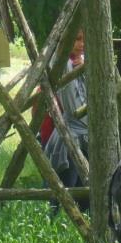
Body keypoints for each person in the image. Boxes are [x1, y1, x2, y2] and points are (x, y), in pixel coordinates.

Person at [42, 31, 89, 207]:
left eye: (84, 40)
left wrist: (86, 66)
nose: (81, 44)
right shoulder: (61, 62)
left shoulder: (85, 62)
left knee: (85, 194)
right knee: (62, 191)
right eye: (77, 39)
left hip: (87, 133)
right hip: (68, 133)